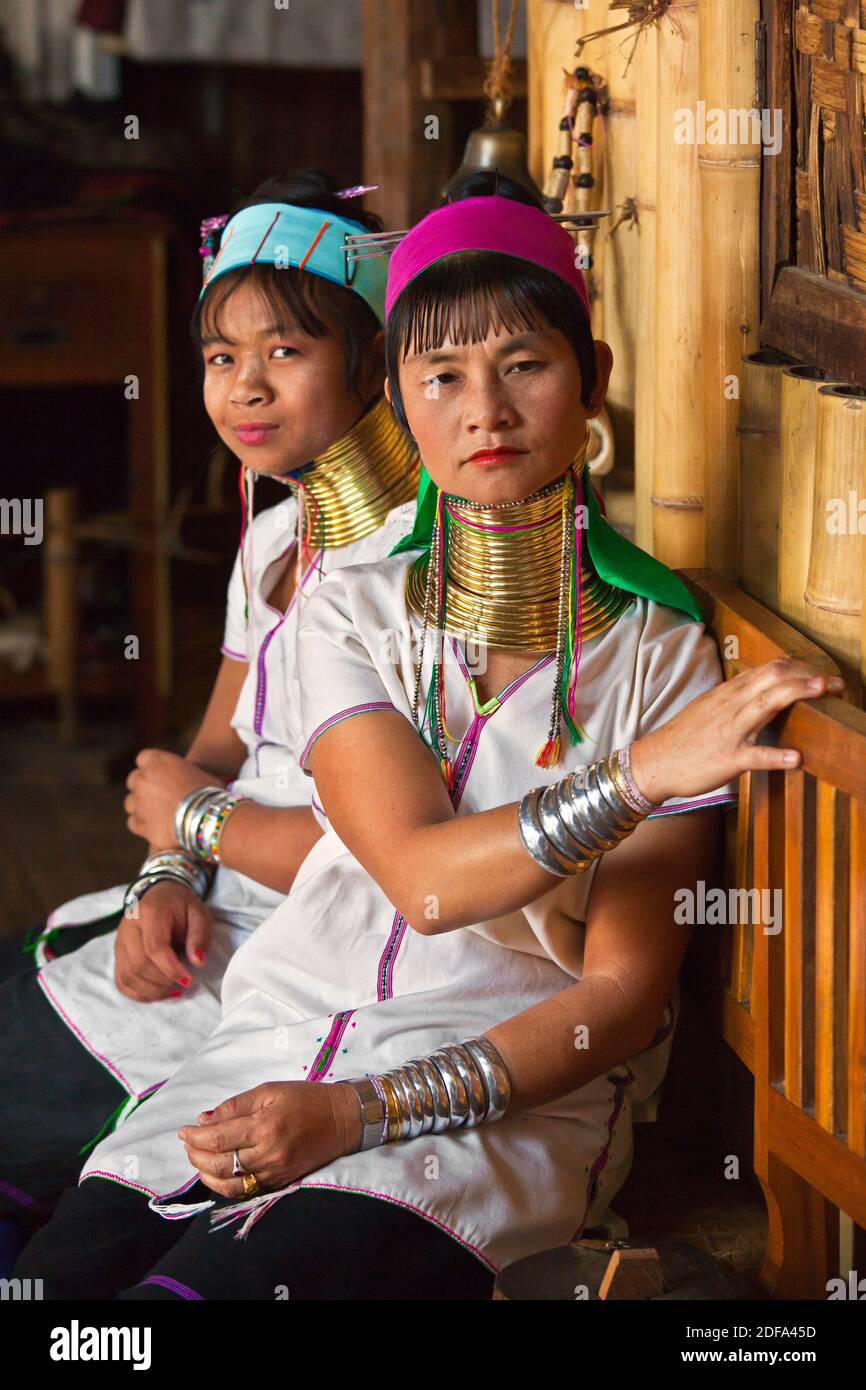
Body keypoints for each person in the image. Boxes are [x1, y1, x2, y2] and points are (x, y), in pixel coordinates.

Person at [14, 173, 843, 1300]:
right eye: (440, 375)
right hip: (267, 1048)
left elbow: (620, 1001)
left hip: (486, 1117)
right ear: (396, 400)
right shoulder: (344, 604)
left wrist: (358, 1112)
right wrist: (641, 773)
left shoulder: (659, 652)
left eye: (524, 365)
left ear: (591, 378)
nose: (483, 412)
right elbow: (420, 882)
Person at [0, 168, 419, 1219]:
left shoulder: (416, 568)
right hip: (210, 910)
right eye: (221, 358)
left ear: (373, 361)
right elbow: (213, 747)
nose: (245, 387)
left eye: (286, 351)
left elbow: (376, 864)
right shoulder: (276, 538)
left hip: (309, 961)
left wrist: (192, 817)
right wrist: (162, 877)